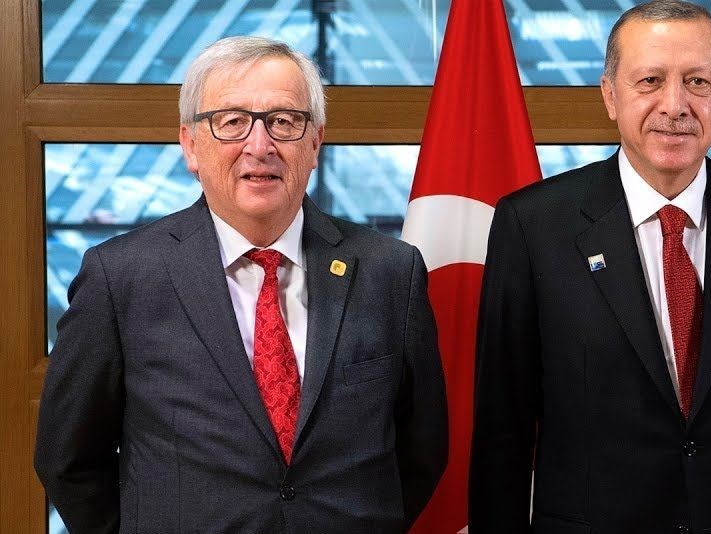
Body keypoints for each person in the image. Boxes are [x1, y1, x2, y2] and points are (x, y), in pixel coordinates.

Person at [467, 1, 711, 532]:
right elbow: (502, 432)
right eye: (650, 80)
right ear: (610, 94)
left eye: (698, 82)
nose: (675, 105)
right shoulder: (533, 225)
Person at [34, 36, 447, 533]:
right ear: (190, 144)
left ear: (315, 142)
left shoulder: (390, 271)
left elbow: (422, 451)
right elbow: (68, 458)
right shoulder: (121, 276)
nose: (260, 145)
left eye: (284, 121)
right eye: (232, 122)